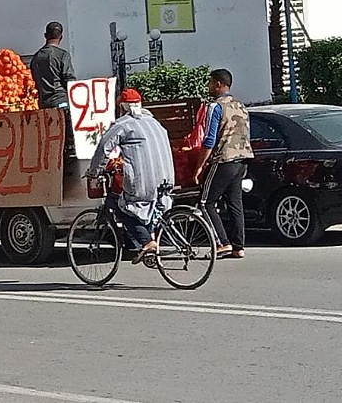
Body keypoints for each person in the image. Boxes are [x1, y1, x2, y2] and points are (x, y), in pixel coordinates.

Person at [86, 88, 175, 264]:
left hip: (143, 181)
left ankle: (147, 242)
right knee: (149, 207)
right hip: (167, 178)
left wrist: (94, 172)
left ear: (122, 107)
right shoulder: (155, 122)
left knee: (122, 207)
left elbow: (104, 147)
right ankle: (150, 239)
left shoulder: (123, 124)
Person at [192, 69, 254, 259]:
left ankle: (222, 242)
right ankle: (238, 246)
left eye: (211, 82)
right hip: (243, 159)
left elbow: (209, 139)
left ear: (218, 84)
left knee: (205, 202)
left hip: (224, 159)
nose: (209, 86)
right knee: (235, 203)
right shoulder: (241, 106)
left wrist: (200, 166)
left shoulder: (216, 107)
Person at [30, 21, 77, 156]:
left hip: (44, 103)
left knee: (49, 139)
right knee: (67, 138)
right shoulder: (62, 55)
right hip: (61, 101)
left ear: (45, 35)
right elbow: (69, 79)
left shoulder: (37, 57)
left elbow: (34, 79)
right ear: (61, 37)